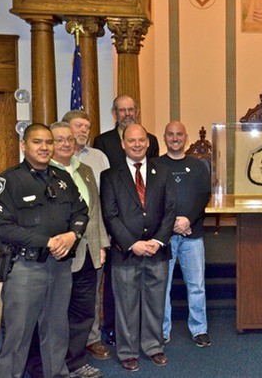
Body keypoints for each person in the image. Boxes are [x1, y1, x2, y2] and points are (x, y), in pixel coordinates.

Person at [0, 123, 89, 377]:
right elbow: (3, 227)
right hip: (25, 269)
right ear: (23, 145)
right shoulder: (9, 181)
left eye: (49, 142)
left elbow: (81, 212)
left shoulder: (63, 179)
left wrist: (73, 235)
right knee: (17, 336)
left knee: (57, 330)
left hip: (59, 268)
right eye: (37, 142)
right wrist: (47, 242)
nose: (45, 147)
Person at [26, 122, 110, 378]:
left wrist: (101, 244)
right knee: (49, 314)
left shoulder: (84, 170)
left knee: (83, 312)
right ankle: (42, 366)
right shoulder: (40, 173)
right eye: (59, 139)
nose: (65, 144)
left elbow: (94, 212)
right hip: (56, 257)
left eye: (69, 139)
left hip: (87, 254)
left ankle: (74, 362)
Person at [100, 124, 176, 372]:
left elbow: (170, 210)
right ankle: (127, 352)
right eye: (131, 140)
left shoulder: (163, 172)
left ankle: (154, 347)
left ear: (148, 143)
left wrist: (156, 241)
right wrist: (133, 243)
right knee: (126, 305)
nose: (136, 144)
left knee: (155, 302)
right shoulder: (110, 176)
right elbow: (110, 215)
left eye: (141, 140)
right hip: (126, 253)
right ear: (123, 144)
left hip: (158, 251)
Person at [93, 95, 159, 347]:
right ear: (115, 113)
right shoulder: (102, 141)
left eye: (131, 109)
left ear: (137, 111)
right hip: (117, 220)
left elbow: (154, 177)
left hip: (145, 217)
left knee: (147, 284)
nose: (127, 113)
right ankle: (111, 328)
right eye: (122, 110)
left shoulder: (149, 140)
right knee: (114, 282)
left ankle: (144, 332)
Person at [154, 121, 212, 347]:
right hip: (163, 237)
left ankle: (199, 329)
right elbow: (152, 199)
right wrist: (171, 224)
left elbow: (203, 196)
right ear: (164, 137)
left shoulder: (198, 166)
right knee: (162, 286)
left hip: (192, 234)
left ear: (185, 137)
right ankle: (162, 330)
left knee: (196, 285)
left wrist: (188, 219)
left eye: (179, 134)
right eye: (170, 134)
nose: (175, 138)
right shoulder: (154, 165)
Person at [62, 110, 112, 361]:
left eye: (87, 127)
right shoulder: (53, 163)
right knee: (62, 299)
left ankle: (91, 339)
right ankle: (62, 347)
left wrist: (103, 242)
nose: (84, 130)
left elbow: (101, 205)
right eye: (79, 125)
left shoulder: (97, 160)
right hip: (63, 247)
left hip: (93, 240)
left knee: (90, 296)